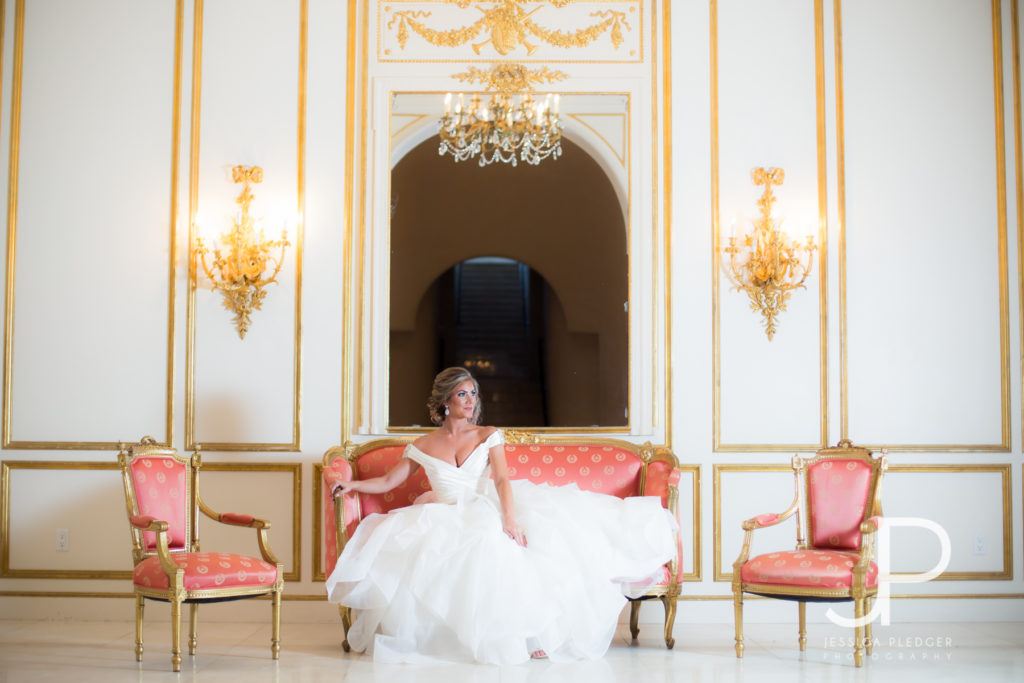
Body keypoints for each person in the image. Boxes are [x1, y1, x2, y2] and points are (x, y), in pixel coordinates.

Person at [325, 366, 676, 665]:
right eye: (462, 394)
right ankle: (449, 638)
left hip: (485, 506)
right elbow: (390, 479)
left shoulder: (489, 435)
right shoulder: (423, 445)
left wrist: (510, 519)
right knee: (427, 546)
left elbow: (504, 479)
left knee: (503, 543)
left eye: (473, 394)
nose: (471, 401)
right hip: (443, 511)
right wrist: (351, 483)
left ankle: (531, 635)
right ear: (446, 400)